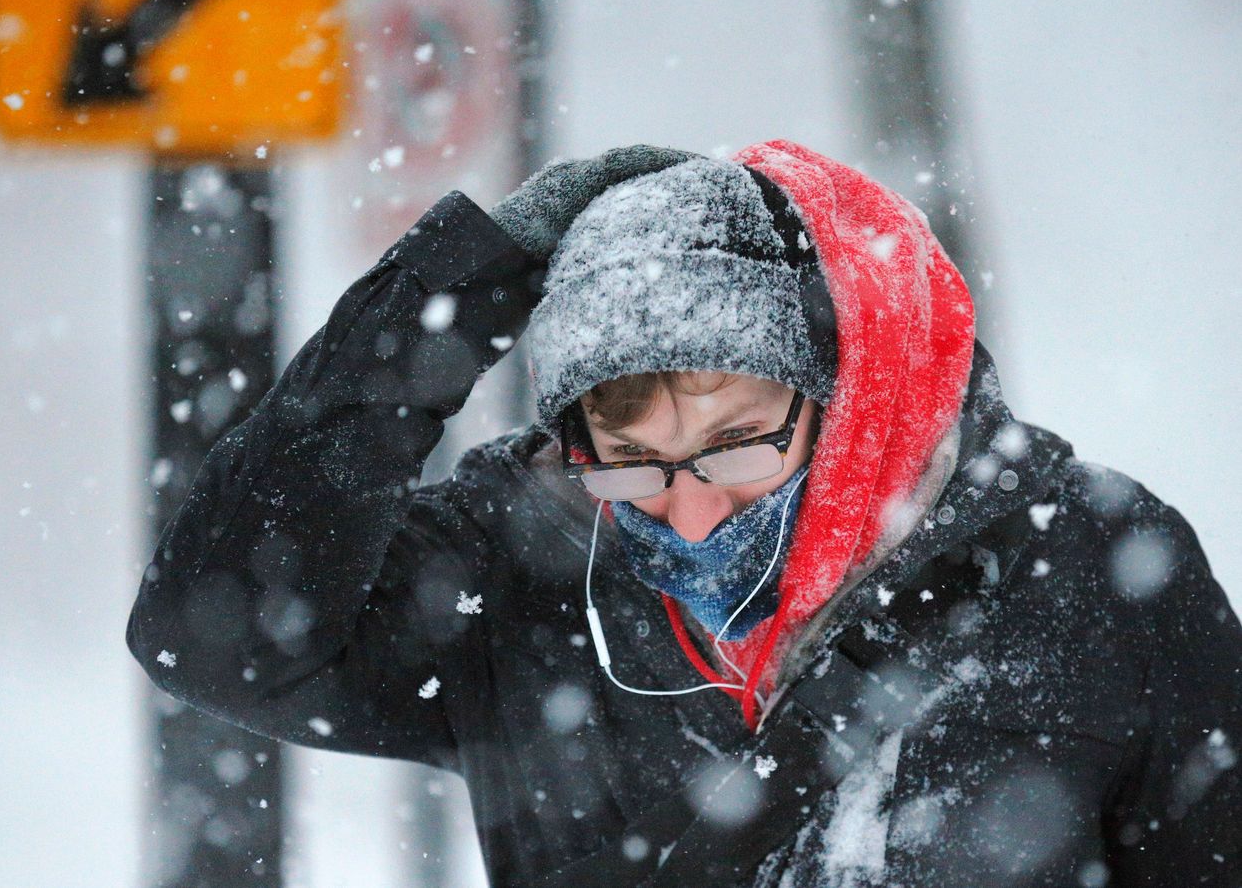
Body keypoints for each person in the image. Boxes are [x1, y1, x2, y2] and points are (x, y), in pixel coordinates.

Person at [126, 140, 1242, 887]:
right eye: (635, 462)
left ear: (855, 398)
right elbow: (210, 632)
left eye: (737, 444)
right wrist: (447, 302)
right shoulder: (532, 559)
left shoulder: (1092, 572)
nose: (692, 514)